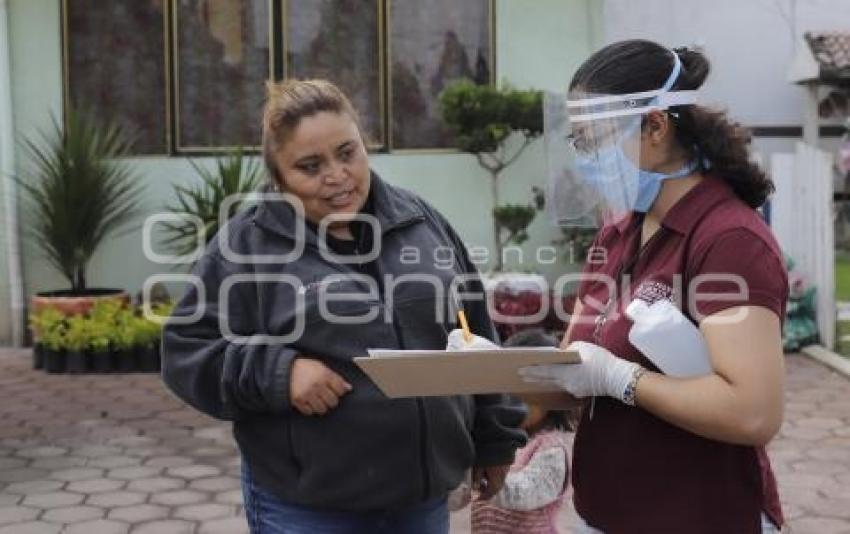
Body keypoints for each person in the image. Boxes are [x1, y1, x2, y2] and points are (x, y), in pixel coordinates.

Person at [161, 79, 526, 533]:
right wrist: (279, 372)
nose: (336, 176)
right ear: (278, 177)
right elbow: (185, 350)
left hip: (421, 502)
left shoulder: (421, 222)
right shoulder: (246, 247)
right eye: (310, 166)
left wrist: (495, 440)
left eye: (347, 153)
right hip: (310, 508)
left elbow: (477, 336)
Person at [521, 40, 788, 533]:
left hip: (699, 517)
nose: (583, 158)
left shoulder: (728, 240)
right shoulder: (618, 231)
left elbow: (753, 412)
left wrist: (622, 380)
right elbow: (574, 368)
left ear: (656, 127)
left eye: (592, 139)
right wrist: (479, 387)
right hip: (602, 513)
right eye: (576, 142)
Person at [470, 329, 572, 534]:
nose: (509, 403)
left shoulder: (552, 448)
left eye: (519, 393)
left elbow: (524, 494)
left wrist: (476, 475)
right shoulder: (496, 437)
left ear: (551, 393)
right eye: (504, 393)